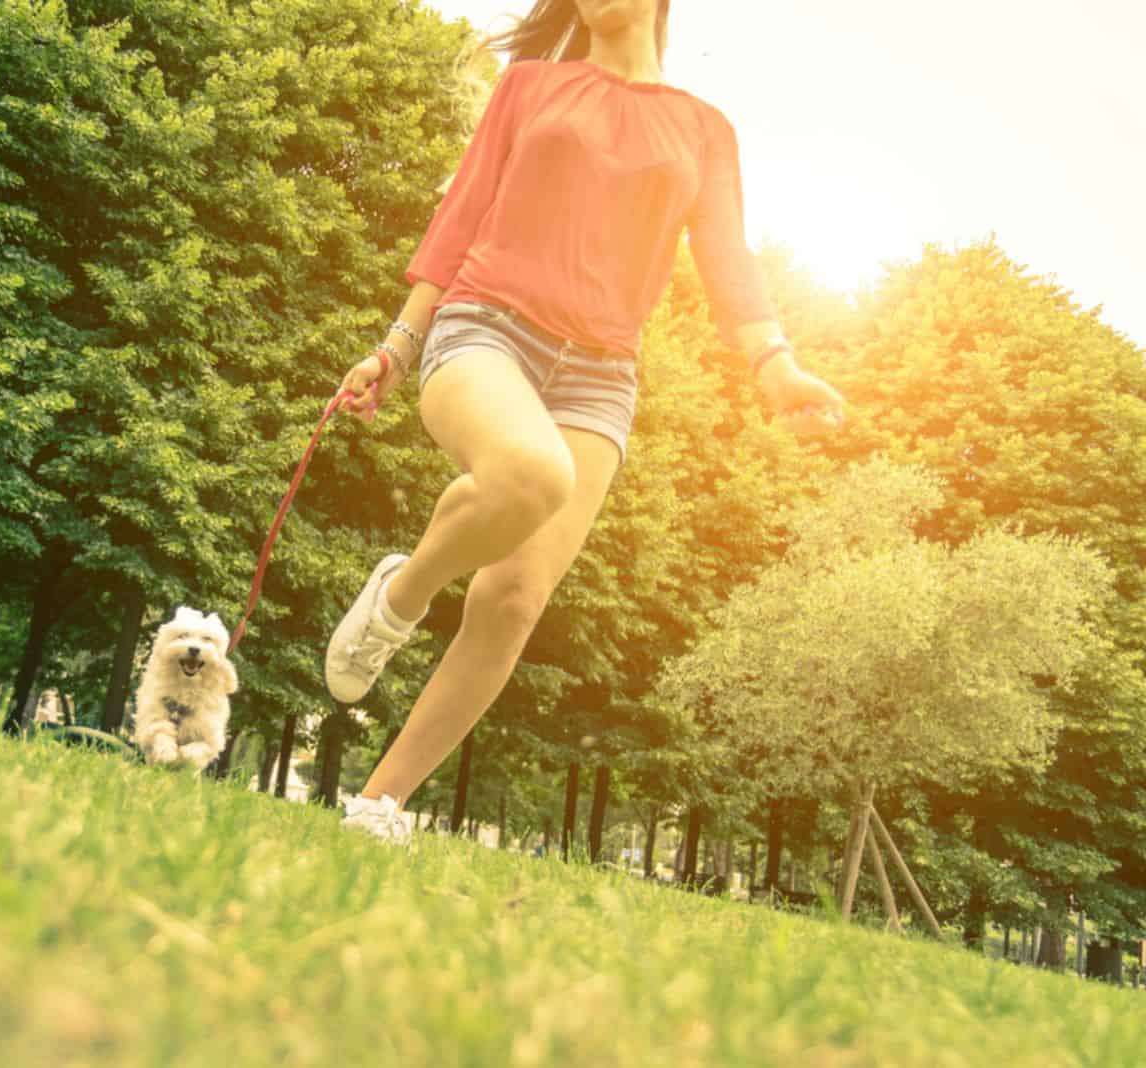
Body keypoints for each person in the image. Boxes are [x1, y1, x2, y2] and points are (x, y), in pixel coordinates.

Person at [329, 0, 846, 842]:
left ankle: (376, 804)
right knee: (531, 474)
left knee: (512, 600)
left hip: (601, 376)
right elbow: (460, 214)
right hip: (484, 327)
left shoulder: (702, 129)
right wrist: (394, 346)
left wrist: (775, 365)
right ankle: (405, 593)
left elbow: (726, 257)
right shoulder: (532, 87)